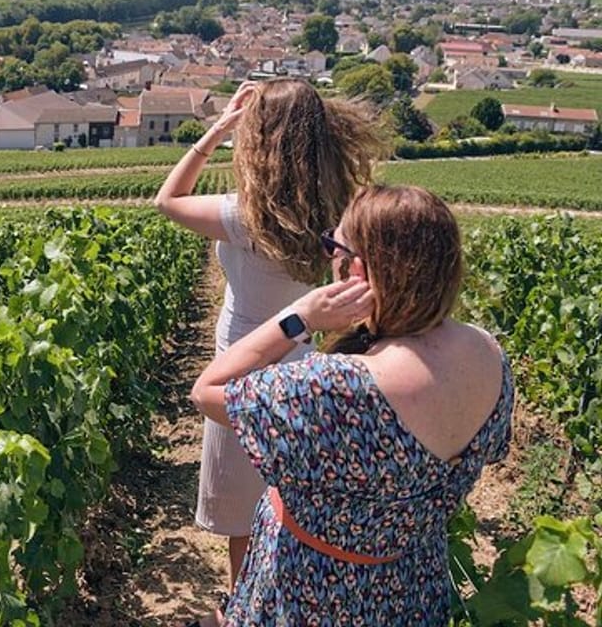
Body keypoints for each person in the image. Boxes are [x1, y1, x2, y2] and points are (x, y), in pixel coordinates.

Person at [190, 184, 513, 625]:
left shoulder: (337, 386)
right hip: (411, 588)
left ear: (359, 271)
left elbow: (208, 390)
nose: (329, 258)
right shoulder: (488, 354)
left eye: (333, 246)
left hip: (309, 594)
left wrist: (299, 317)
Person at [155, 78, 383, 592]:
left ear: (259, 140)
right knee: (294, 502)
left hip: (240, 361)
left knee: (242, 515)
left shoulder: (241, 215)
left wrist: (217, 128)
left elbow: (168, 200)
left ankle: (246, 606)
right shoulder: (344, 214)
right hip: (305, 364)